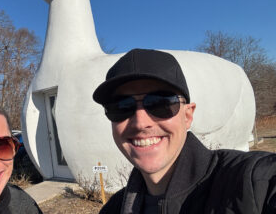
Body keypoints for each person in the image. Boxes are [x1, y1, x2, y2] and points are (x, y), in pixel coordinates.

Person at [92, 48, 276, 213]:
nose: (140, 123)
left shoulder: (254, 183)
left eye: (160, 103)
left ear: (187, 116)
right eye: (121, 106)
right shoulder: (113, 209)